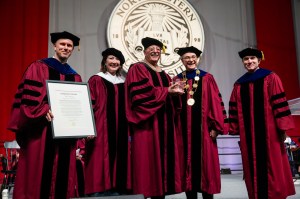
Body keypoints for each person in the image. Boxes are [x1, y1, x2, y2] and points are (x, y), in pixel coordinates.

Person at [7, 31, 82, 199]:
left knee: (63, 176)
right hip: (42, 131)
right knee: (40, 175)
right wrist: (43, 109)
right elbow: (29, 100)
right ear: (54, 46)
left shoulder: (75, 76)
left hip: (65, 135)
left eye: (69, 46)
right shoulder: (38, 67)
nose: (66, 48)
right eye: (62, 44)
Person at [228, 47, 296, 199]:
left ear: (259, 60)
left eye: (252, 58)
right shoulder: (239, 84)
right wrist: (234, 127)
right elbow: (233, 108)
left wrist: (282, 127)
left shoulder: (271, 78)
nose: (249, 61)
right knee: (251, 167)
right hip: (248, 136)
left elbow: (279, 104)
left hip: (269, 133)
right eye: (246, 59)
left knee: (273, 165)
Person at [125, 37, 184, 199]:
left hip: (164, 126)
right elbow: (140, 96)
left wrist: (176, 95)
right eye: (151, 48)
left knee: (163, 170)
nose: (155, 51)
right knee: (147, 166)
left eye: (158, 49)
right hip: (148, 126)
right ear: (144, 51)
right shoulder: (138, 68)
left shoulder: (164, 73)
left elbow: (170, 97)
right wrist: (167, 92)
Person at [173, 46, 227, 199]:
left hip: (204, 131)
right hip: (183, 132)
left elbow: (215, 102)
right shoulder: (177, 79)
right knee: (186, 167)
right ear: (182, 60)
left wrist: (215, 126)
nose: (190, 60)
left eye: (193, 57)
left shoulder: (207, 78)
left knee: (206, 167)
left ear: (197, 59)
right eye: (186, 58)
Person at [84, 48, 130, 197]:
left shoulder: (123, 83)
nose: (114, 62)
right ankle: (97, 187)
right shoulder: (96, 79)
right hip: (100, 127)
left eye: (117, 60)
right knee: (99, 155)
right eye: (111, 58)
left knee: (120, 154)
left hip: (121, 129)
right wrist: (89, 127)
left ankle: (117, 185)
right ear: (105, 61)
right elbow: (88, 105)